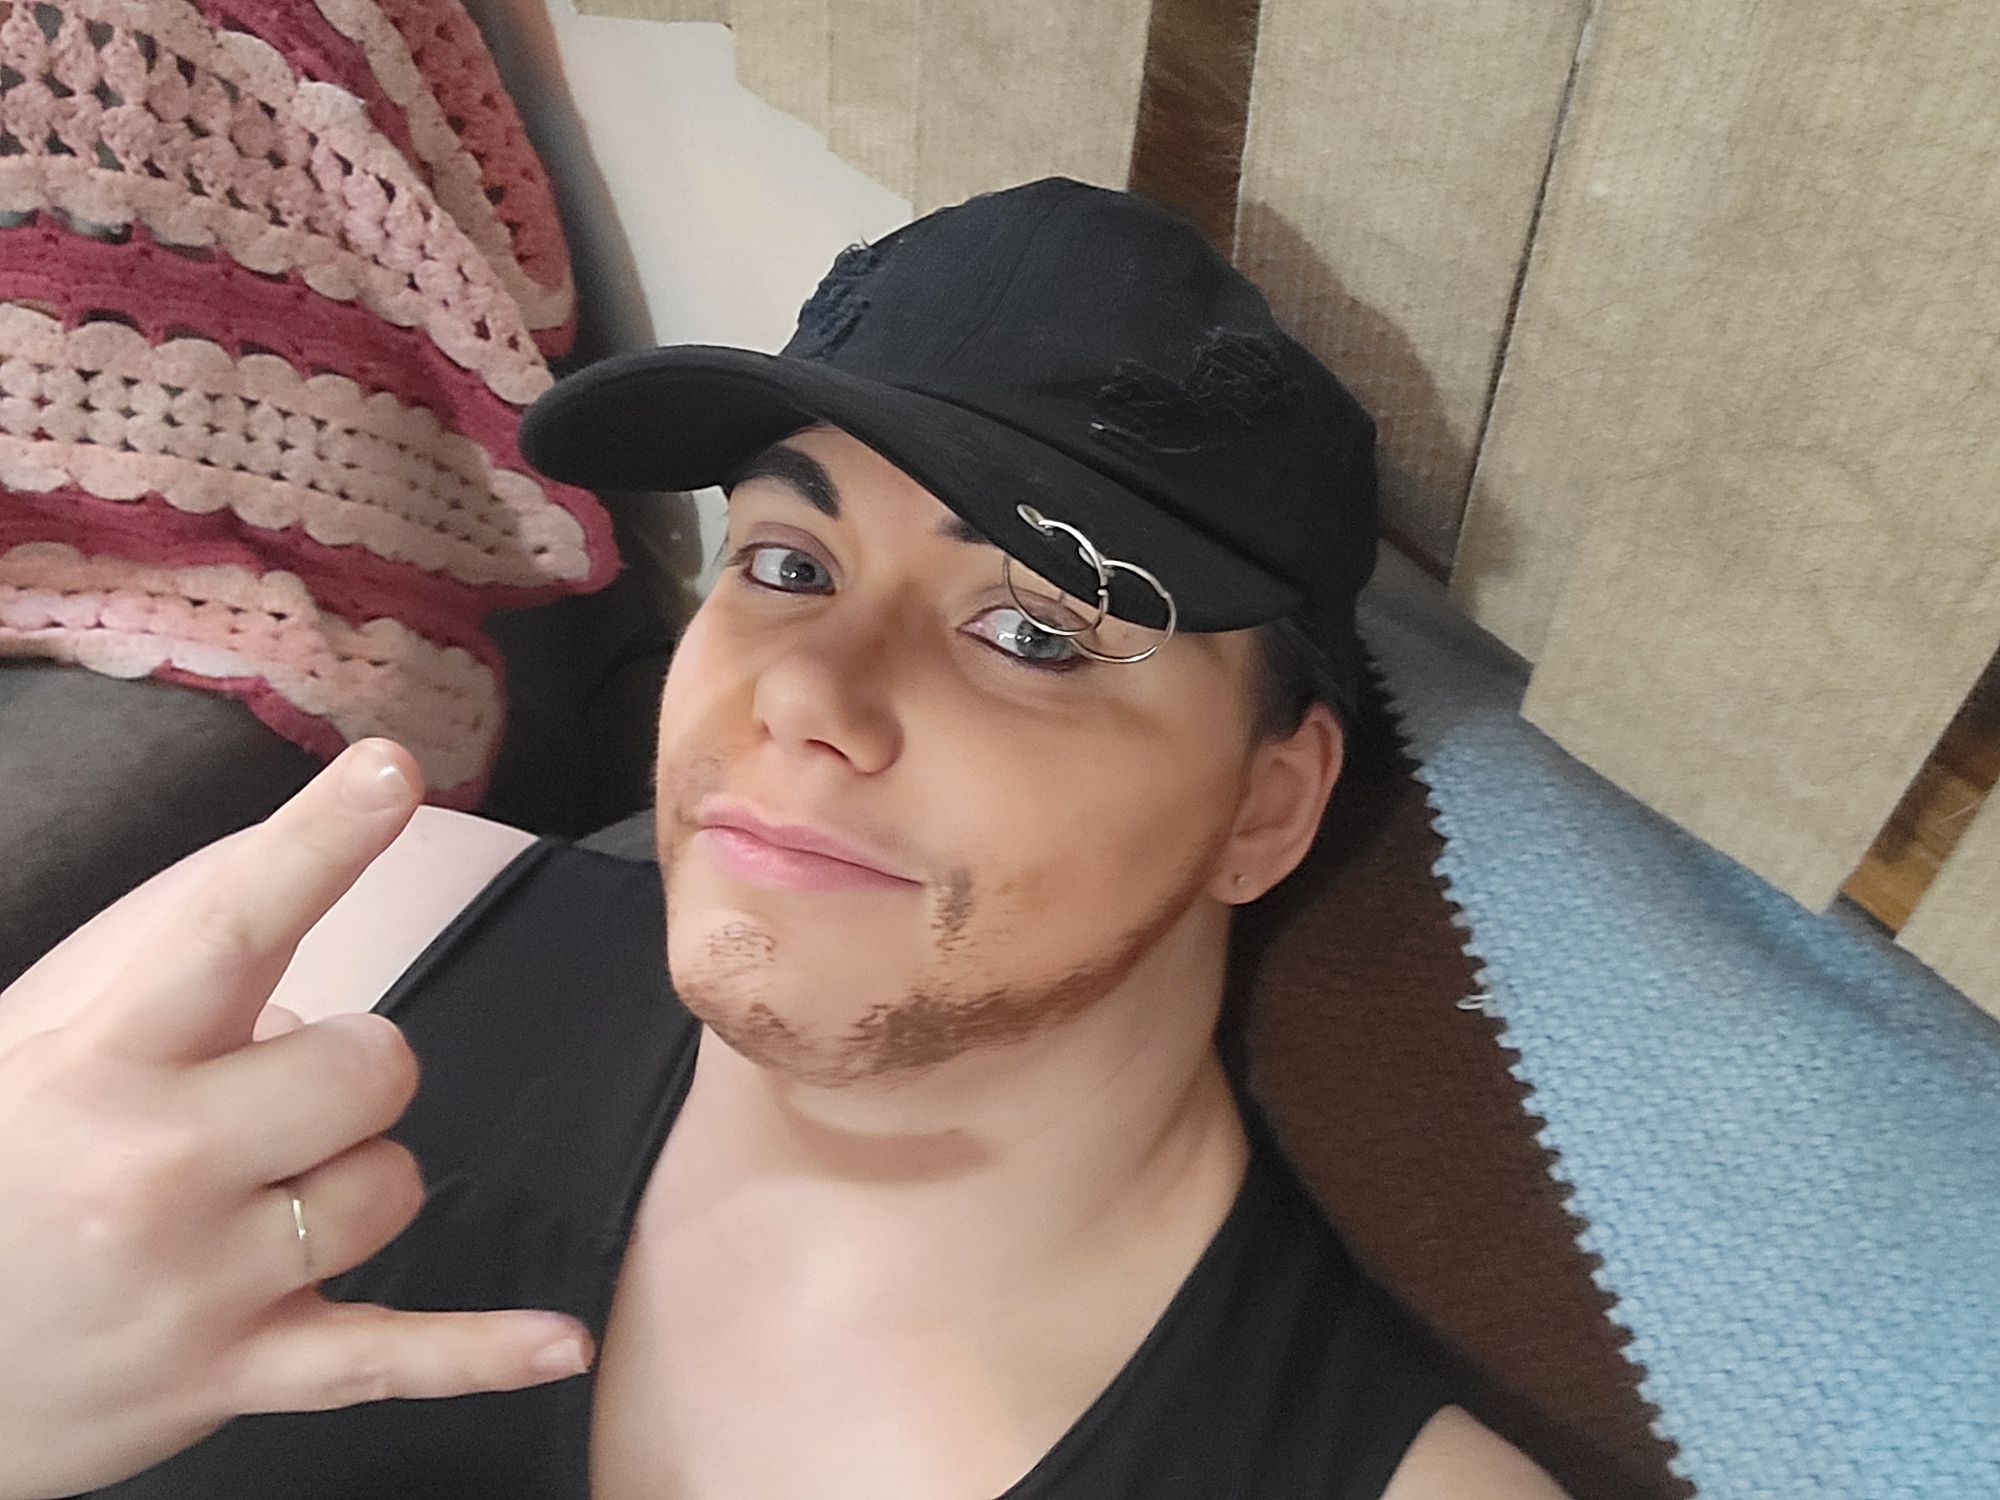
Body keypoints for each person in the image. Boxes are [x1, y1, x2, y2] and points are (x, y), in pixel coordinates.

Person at [0, 179, 1568, 1499]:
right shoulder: (340, 941)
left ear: (1266, 806)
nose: (806, 692)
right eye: (789, 565)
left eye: (1034, 634)